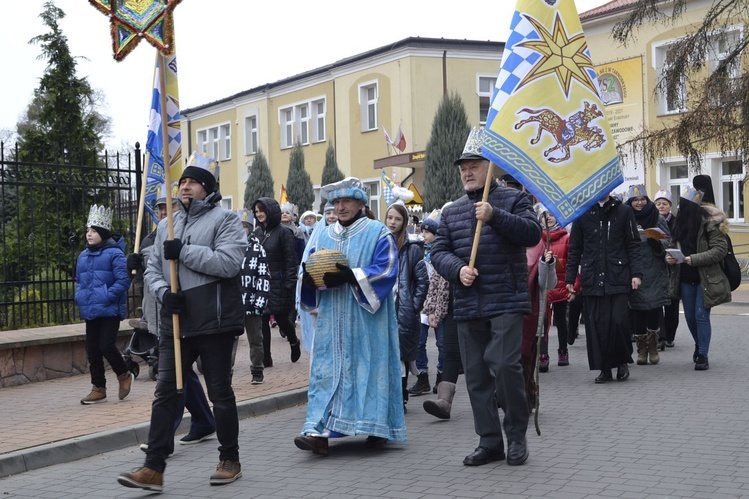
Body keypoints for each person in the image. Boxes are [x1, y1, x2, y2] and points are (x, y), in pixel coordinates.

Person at [118, 152, 246, 491]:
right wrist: (163, 294)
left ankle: (229, 458)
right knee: (165, 393)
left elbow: (229, 263)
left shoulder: (226, 220)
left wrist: (184, 252)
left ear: (206, 187)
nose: (184, 187)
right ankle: (153, 467)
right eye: (182, 182)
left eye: (191, 182)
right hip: (176, 321)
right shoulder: (166, 225)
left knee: (219, 391)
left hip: (214, 320)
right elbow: (154, 270)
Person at [431, 127, 541, 467]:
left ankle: (516, 435)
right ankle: (490, 441)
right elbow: (438, 251)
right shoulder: (451, 212)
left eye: (474, 165)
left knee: (505, 366)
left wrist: (494, 215)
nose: (466, 171)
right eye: (463, 167)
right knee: (477, 376)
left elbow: (532, 232)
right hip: (467, 302)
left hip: (505, 298)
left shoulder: (512, 199)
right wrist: (457, 269)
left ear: (490, 167)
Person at [294, 177, 404, 456]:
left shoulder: (378, 232)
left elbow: (388, 269)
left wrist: (352, 276)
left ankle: (378, 427)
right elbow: (309, 267)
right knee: (326, 371)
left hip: (367, 321)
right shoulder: (323, 234)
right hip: (331, 318)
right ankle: (317, 432)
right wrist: (309, 281)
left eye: (347, 202)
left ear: (360, 204)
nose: (340, 207)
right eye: (337, 202)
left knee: (371, 368)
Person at [127, 184, 216, 451]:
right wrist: (133, 264)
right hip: (158, 312)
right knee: (182, 371)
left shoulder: (190, 234)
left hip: (183, 315)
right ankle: (203, 420)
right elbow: (149, 275)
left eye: (171, 206)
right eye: (161, 207)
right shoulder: (150, 238)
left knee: (173, 375)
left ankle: (163, 437)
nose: (165, 211)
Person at [565, 191, 642, 384]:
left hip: (618, 275)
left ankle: (622, 362)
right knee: (597, 325)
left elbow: (633, 244)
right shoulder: (582, 214)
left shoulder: (623, 212)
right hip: (592, 278)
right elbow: (575, 249)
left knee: (618, 321)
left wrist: (636, 273)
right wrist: (570, 278)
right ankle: (604, 368)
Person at [666, 184, 731, 371]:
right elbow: (671, 246)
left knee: (701, 316)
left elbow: (720, 250)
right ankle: (699, 344)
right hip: (685, 278)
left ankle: (703, 355)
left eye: (682, 205)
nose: (679, 208)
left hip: (706, 278)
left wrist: (693, 259)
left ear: (691, 209)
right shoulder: (679, 225)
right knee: (690, 318)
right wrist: (669, 257)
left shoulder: (709, 225)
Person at [75, 204, 133, 405]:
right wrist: (80, 296)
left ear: (102, 233)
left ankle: (124, 374)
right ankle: (98, 387)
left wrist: (107, 295)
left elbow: (123, 281)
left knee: (106, 345)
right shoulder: (83, 256)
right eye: (87, 231)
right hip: (91, 308)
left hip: (109, 309)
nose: (89, 234)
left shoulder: (115, 254)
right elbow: (80, 281)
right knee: (92, 349)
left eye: (93, 231)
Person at [386, 202, 429, 411]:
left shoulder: (413, 249)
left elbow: (423, 281)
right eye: (390, 218)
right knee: (387, 355)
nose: (392, 222)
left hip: (403, 310)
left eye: (397, 219)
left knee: (401, 355)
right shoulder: (380, 243)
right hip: (383, 307)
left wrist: (413, 305)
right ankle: (390, 397)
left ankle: (401, 397)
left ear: (404, 222)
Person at [251, 198, 302, 366]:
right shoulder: (256, 234)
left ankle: (293, 341)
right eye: (256, 211)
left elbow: (290, 260)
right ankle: (266, 357)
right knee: (262, 319)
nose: (259, 214)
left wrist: (289, 283)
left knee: (281, 319)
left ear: (270, 211)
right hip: (261, 282)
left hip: (278, 282)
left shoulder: (284, 233)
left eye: (262, 210)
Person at [624, 185, 672, 366]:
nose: (639, 203)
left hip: (655, 269)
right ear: (630, 202)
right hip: (635, 269)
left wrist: (656, 242)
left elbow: (668, 240)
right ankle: (641, 349)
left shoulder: (657, 217)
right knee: (637, 309)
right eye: (635, 200)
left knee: (653, 308)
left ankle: (653, 347)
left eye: (642, 199)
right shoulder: (625, 218)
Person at [536, 204, 579, 371]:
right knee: (543, 321)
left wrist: (573, 286)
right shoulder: (537, 238)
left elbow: (572, 263)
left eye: (552, 215)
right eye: (545, 217)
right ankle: (543, 354)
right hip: (543, 286)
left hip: (560, 284)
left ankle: (563, 350)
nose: (549, 219)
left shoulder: (566, 238)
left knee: (561, 321)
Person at [409, 212, 445, 396]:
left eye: (426, 232)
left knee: (442, 343)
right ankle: (422, 376)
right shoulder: (420, 252)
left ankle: (442, 376)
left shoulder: (442, 251)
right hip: (423, 303)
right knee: (419, 342)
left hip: (439, 303)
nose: (423, 235)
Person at [237, 209, 271, 385]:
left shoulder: (258, 249)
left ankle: (257, 369)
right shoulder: (229, 248)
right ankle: (226, 373)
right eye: (239, 227)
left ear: (250, 229)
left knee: (256, 339)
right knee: (229, 341)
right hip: (234, 304)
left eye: (245, 227)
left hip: (252, 302)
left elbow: (263, 276)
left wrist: (260, 301)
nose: (242, 230)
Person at [654, 189, 679, 348]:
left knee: (672, 302)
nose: (661, 206)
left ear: (670, 206)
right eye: (658, 203)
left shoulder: (677, 222)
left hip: (673, 266)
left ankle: (670, 335)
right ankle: (660, 335)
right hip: (657, 265)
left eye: (664, 204)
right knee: (657, 302)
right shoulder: (652, 221)